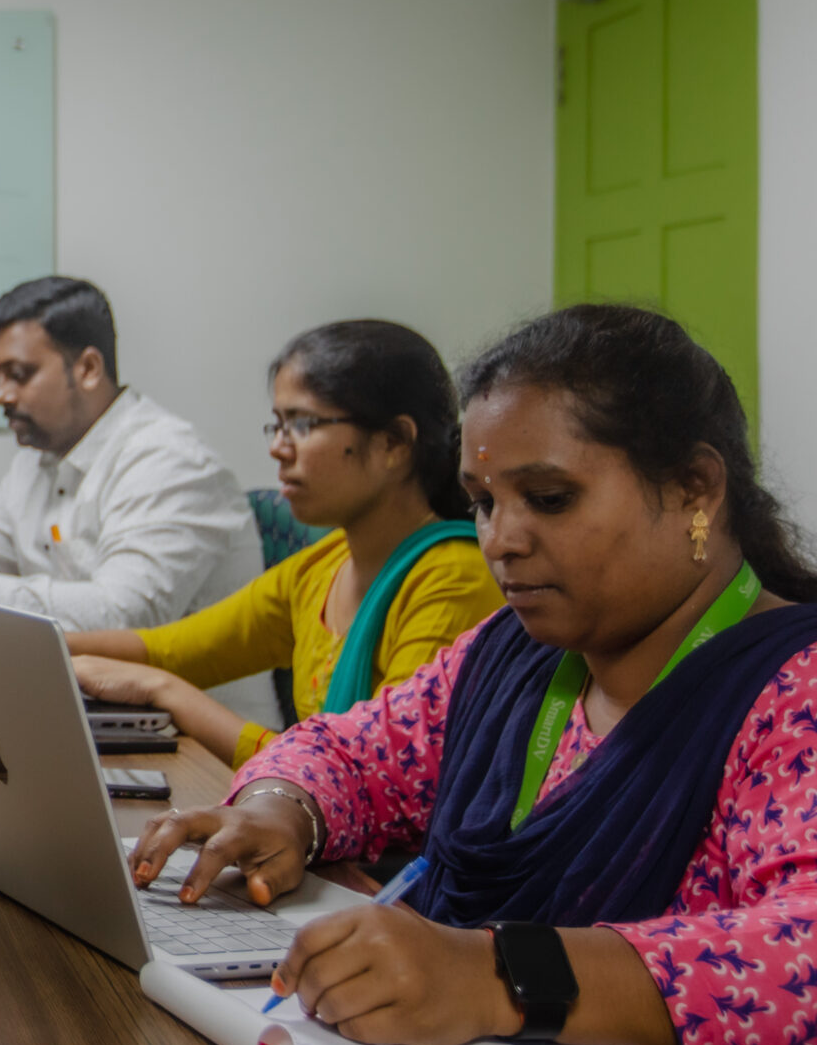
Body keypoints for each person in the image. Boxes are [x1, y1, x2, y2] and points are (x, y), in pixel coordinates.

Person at [127, 306, 817, 1045]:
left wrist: (496, 974)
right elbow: (353, 748)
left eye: (547, 498)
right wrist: (281, 808)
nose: (499, 539)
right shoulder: (515, 657)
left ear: (695, 489)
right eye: (481, 502)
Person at [64, 321, 503, 766]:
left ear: (393, 442)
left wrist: (166, 692)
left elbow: (372, 777)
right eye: (277, 425)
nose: (278, 448)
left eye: (303, 424)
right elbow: (167, 650)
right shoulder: (322, 568)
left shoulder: (453, 579)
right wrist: (45, 646)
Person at [0, 276, 271, 716]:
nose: (1, 394)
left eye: (19, 375)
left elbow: (122, 619)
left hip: (198, 751)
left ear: (88, 368)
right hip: (94, 714)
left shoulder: (171, 463)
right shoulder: (37, 462)